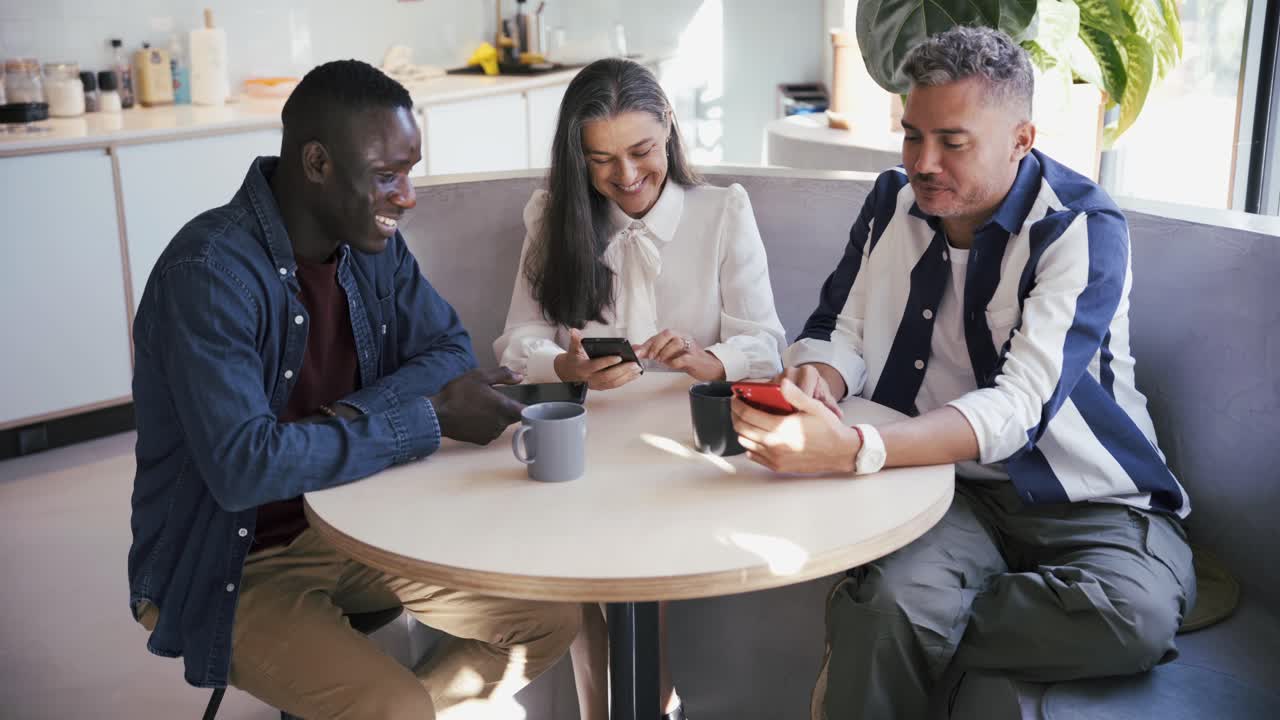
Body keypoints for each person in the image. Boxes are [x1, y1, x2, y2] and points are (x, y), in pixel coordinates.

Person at [729, 27, 1196, 718]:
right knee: (890, 603)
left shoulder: (1079, 231)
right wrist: (817, 384)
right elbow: (839, 329)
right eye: (912, 135)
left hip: (1088, 500)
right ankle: (894, 619)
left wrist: (858, 448)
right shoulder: (890, 202)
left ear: (1021, 138)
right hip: (944, 489)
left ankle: (895, 626)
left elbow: (1018, 407)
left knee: (1133, 618)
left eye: (953, 141)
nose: (923, 162)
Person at [127, 59, 579, 720]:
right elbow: (243, 470)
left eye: (410, 171)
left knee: (551, 620)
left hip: (353, 527)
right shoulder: (209, 275)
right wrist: (419, 419)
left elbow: (450, 349)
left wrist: (343, 418)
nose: (408, 196)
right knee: (394, 708)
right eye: (387, 176)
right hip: (234, 561)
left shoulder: (374, 248)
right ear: (317, 164)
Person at [494, 57, 787, 720]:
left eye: (641, 151)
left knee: (627, 575)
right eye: (599, 160)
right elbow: (514, 345)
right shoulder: (551, 214)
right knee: (592, 578)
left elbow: (767, 343)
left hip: (689, 440)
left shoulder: (721, 211)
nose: (624, 177)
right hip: (587, 441)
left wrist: (706, 358)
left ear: (671, 132)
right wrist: (564, 366)